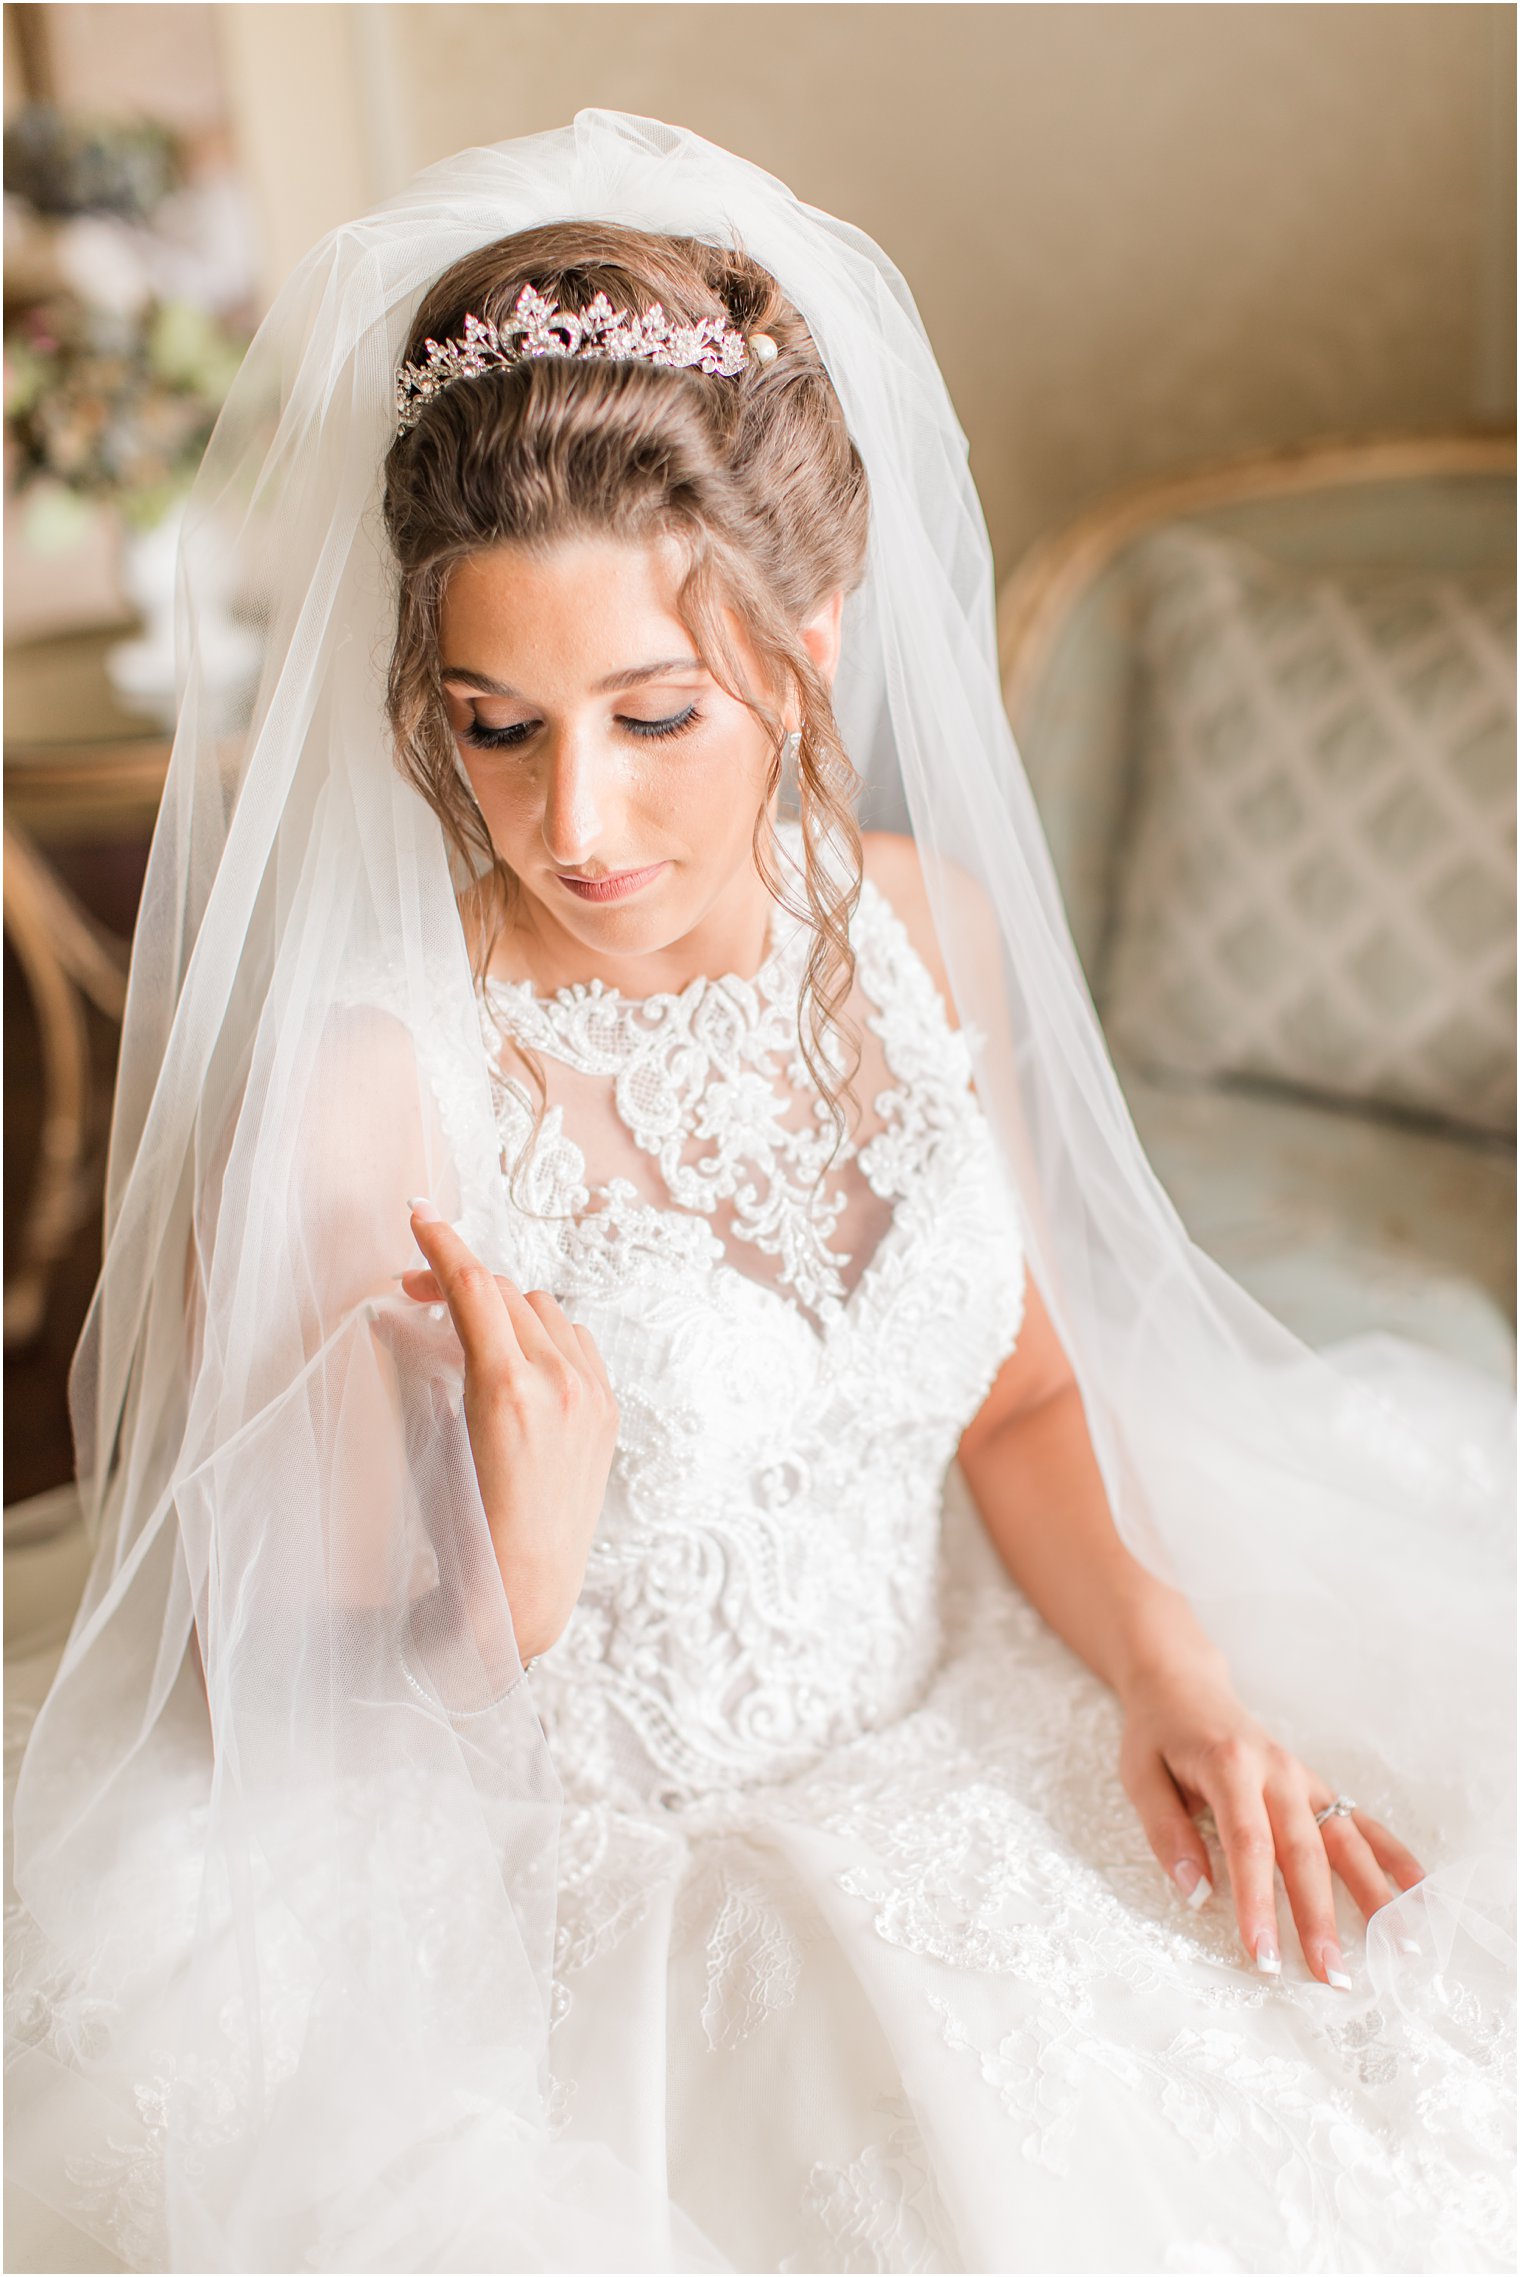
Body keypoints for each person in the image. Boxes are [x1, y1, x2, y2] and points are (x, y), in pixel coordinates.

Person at [4, 110, 1513, 2276]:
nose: (572, 819)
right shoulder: (376, 1083)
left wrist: (1167, 1668)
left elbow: (1008, 1403)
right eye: (493, 723)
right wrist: (507, 1577)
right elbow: (279, 1707)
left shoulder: (921, 925)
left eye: (651, 712)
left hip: (970, 1714)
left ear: (811, 634)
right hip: (587, 1892)